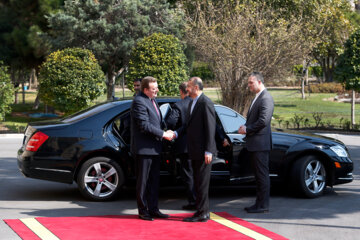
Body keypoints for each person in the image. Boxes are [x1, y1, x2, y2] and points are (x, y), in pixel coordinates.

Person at [130, 76, 174, 221]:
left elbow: (157, 122)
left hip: (155, 148)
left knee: (154, 181)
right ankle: (143, 211)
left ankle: (154, 209)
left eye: (156, 87)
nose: (157, 90)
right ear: (145, 90)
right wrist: (163, 134)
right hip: (144, 149)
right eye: (154, 89)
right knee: (143, 182)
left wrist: (166, 131)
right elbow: (144, 125)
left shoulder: (152, 100)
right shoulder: (139, 101)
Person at [178, 77, 217, 222]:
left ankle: (203, 213)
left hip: (203, 152)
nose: (186, 89)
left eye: (188, 86)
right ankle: (201, 211)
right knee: (198, 182)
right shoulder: (192, 103)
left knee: (202, 184)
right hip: (194, 150)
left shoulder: (205, 103)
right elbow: (188, 126)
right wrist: (176, 133)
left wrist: (209, 150)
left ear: (195, 87)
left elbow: (210, 128)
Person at [238, 72, 274, 213]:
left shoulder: (266, 98)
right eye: (248, 83)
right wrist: (245, 127)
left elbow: (263, 121)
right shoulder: (258, 97)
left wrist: (247, 129)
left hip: (260, 144)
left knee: (262, 175)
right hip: (255, 143)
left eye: (251, 83)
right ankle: (258, 204)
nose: (249, 86)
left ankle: (263, 205)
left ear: (259, 82)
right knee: (258, 176)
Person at [165, 82, 196, 210]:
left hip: (184, 147)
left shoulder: (179, 105)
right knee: (198, 174)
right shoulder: (198, 104)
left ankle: (193, 201)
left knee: (188, 175)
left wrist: (170, 130)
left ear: (182, 92)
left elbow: (170, 122)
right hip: (198, 145)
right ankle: (201, 201)